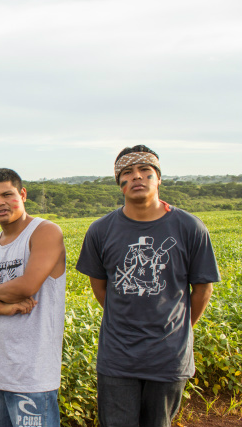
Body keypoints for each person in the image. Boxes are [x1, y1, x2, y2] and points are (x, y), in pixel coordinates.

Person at [76, 145, 220, 427]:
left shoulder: (189, 227)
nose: (137, 177)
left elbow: (202, 289)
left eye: (145, 171)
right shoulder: (101, 230)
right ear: (120, 184)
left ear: (158, 178)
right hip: (117, 356)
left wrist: (180, 329)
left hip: (168, 356)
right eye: (127, 173)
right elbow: (100, 287)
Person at [0, 168, 66, 427]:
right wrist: (5, 309)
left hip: (32, 375)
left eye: (7, 194)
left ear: (23, 194)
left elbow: (27, 286)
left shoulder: (45, 232)